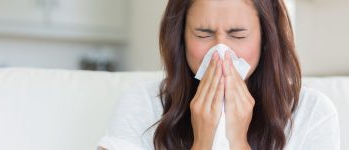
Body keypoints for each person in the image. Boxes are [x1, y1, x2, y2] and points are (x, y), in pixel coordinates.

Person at [99, 0, 340, 149]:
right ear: (180, 39)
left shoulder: (312, 111)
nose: (220, 52)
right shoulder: (141, 104)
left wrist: (237, 141)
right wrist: (203, 143)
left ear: (266, 39)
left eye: (238, 35)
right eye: (203, 34)